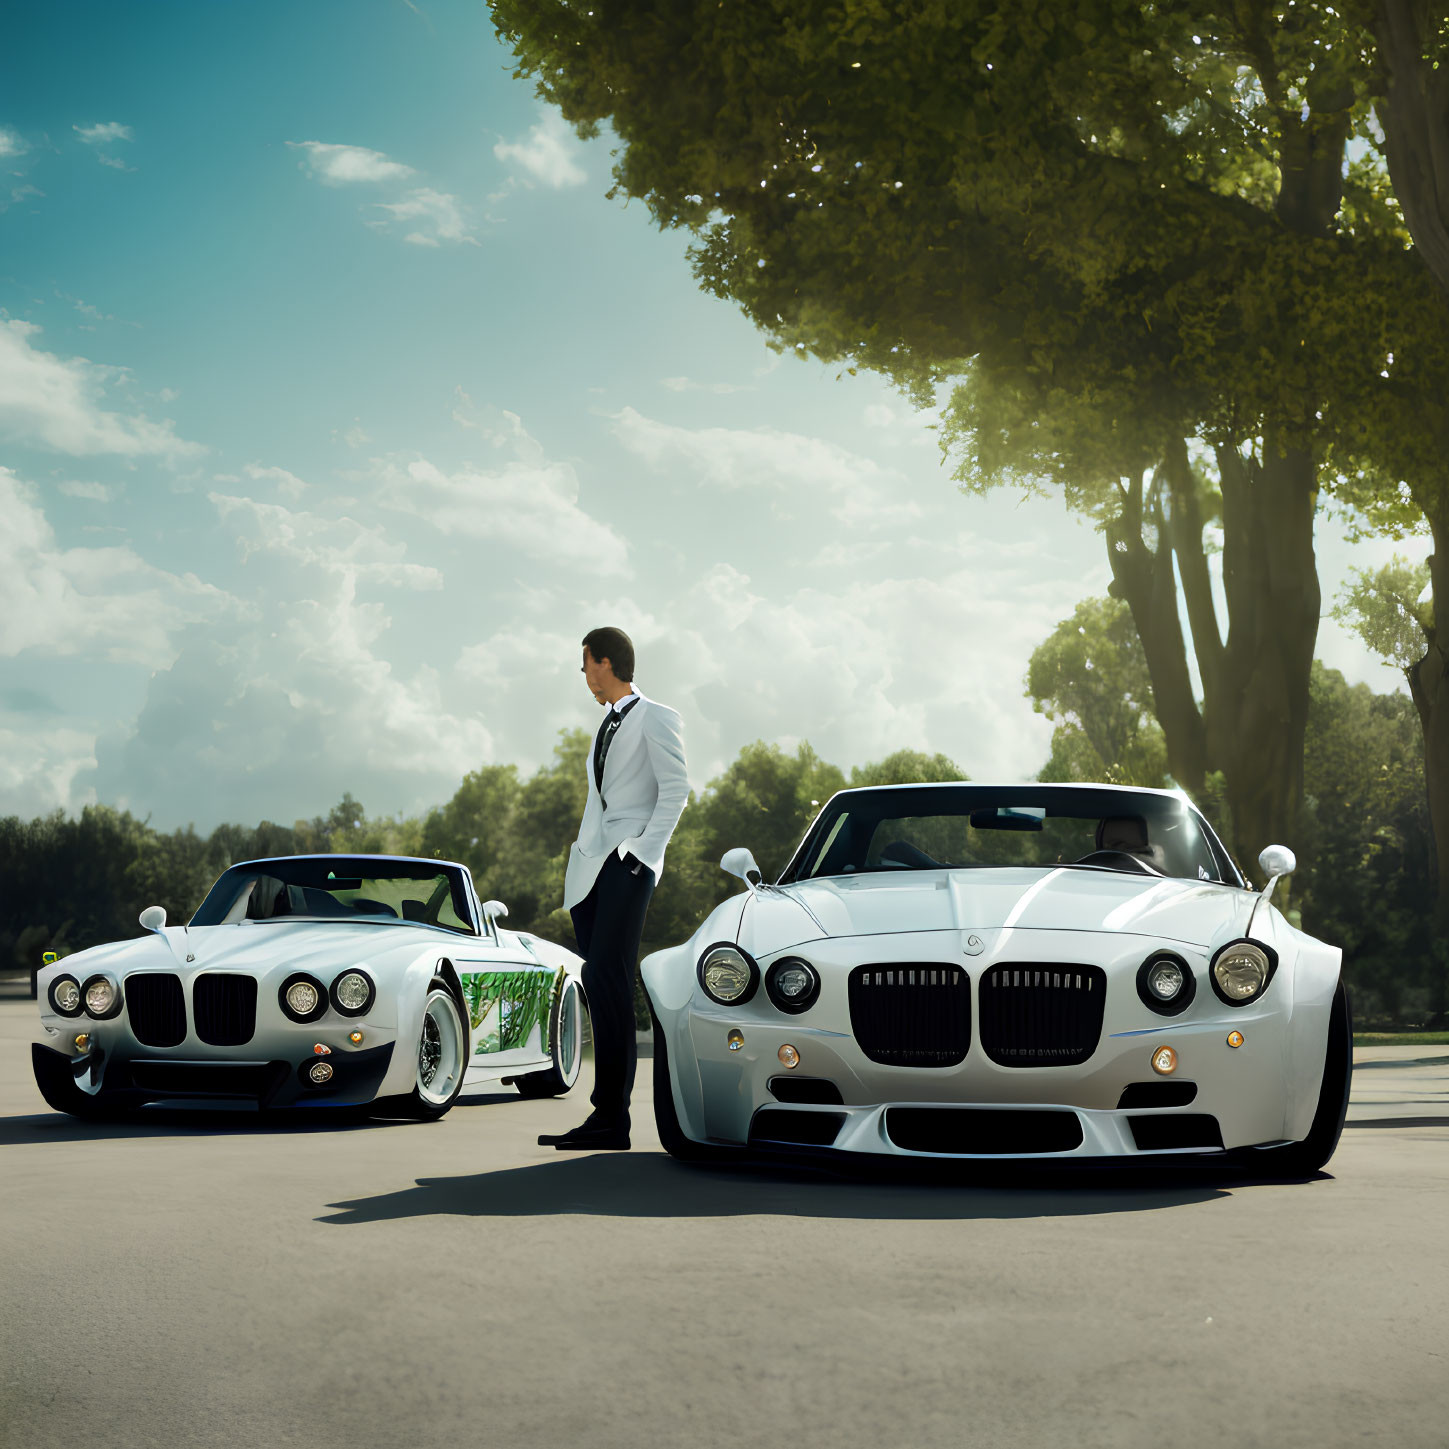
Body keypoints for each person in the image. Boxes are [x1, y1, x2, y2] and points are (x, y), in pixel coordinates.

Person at [538, 626, 689, 1151]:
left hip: (627, 865)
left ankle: (610, 1119)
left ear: (605, 662)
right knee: (600, 980)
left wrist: (641, 854)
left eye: (585, 664)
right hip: (592, 869)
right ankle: (608, 1121)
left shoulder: (657, 716)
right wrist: (583, 857)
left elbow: (676, 791)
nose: (583, 675)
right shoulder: (604, 723)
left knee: (610, 978)